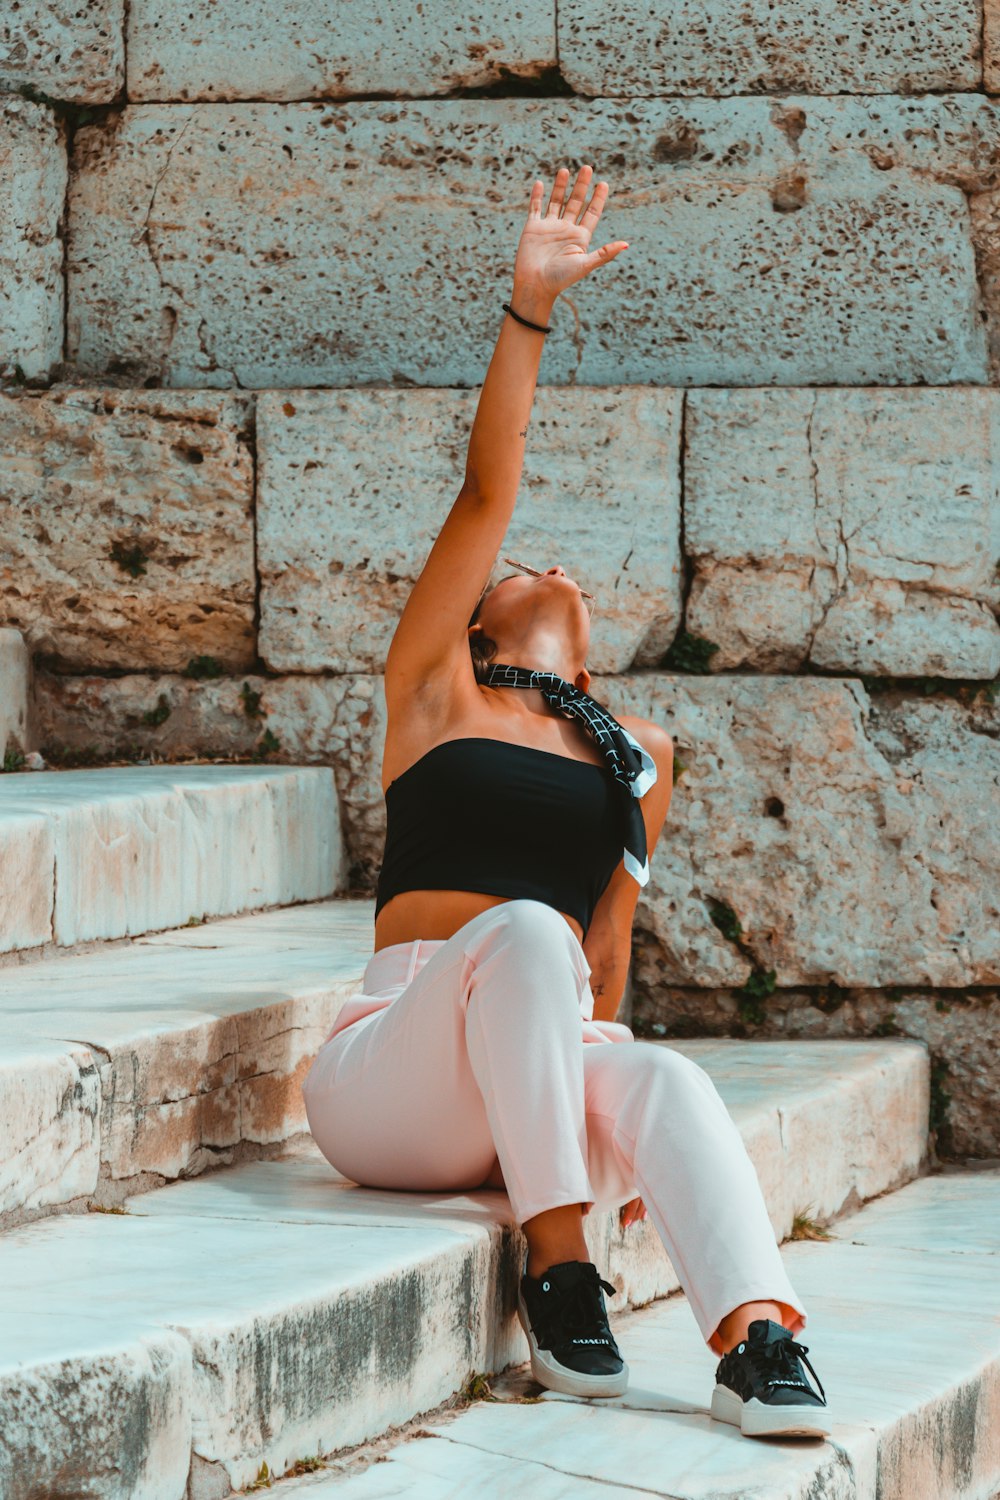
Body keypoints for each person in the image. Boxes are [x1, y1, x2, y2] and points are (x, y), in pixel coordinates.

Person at [303, 163, 830, 1439]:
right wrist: (529, 305)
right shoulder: (435, 689)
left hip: (540, 1075)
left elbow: (606, 960)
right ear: (477, 616)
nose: (537, 558)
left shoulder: (633, 751)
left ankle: (756, 1343)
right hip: (398, 1079)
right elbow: (489, 493)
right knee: (523, 930)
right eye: (513, 566)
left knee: (666, 1084)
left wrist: (620, 1120)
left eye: (553, 563)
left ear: (590, 658)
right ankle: (559, 1265)